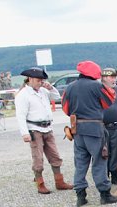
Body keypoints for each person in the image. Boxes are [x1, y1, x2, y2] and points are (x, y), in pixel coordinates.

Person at [62, 60, 117, 206]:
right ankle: (105, 194)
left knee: (80, 163)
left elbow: (66, 108)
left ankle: (80, 196)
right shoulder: (96, 86)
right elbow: (108, 101)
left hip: (77, 130)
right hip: (94, 129)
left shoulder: (70, 87)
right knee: (100, 160)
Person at [15, 67, 74, 195]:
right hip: (34, 129)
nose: (40, 82)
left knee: (55, 155)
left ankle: (59, 181)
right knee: (38, 158)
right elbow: (20, 115)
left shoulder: (43, 91)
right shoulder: (23, 94)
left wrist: (50, 87)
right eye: (38, 80)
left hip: (47, 127)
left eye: (42, 80)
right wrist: (24, 133)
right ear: (30, 79)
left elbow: (56, 96)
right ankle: (40, 182)